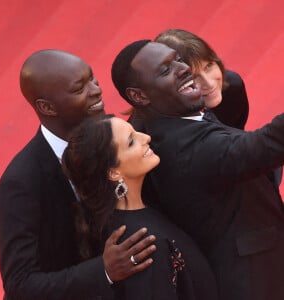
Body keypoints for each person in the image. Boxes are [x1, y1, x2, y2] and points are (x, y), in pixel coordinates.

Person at [111, 40, 284, 300]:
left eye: (178, 59)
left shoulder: (173, 115)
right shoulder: (185, 147)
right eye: (165, 70)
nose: (183, 69)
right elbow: (267, 144)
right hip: (254, 283)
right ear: (139, 96)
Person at [0, 49, 157, 300]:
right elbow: (20, 283)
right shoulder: (21, 182)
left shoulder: (119, 138)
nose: (96, 90)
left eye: (92, 78)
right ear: (47, 107)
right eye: (80, 88)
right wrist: (104, 271)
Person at [62, 114, 218, 300]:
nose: (146, 138)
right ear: (113, 172)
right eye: (131, 142)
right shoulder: (139, 242)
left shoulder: (133, 215)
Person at [154, 28, 282, 191]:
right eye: (193, 77)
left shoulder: (231, 88)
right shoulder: (153, 131)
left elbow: (235, 136)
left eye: (208, 66)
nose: (209, 83)